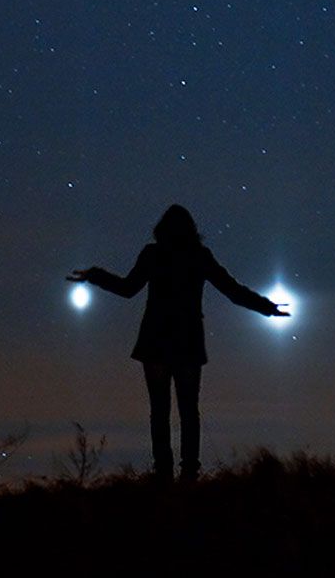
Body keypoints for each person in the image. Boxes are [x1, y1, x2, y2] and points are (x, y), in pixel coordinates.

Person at [67, 204, 288, 482]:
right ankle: (188, 473)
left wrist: (95, 276)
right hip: (186, 341)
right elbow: (232, 290)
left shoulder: (153, 254)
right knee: (188, 409)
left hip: (156, 340)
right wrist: (267, 307)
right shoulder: (199, 256)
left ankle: (164, 473)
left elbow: (127, 289)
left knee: (160, 410)